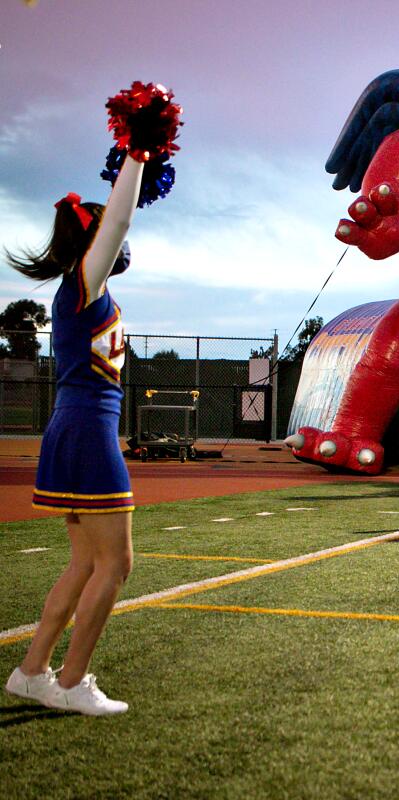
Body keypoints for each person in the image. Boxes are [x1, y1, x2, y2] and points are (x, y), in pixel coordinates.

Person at [5, 83, 181, 715]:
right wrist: (137, 152)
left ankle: (31, 672)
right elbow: (122, 219)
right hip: (85, 429)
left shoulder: (84, 292)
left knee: (85, 563)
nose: (118, 242)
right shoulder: (83, 282)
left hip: (78, 427)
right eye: (105, 235)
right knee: (118, 563)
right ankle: (73, 682)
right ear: (93, 241)